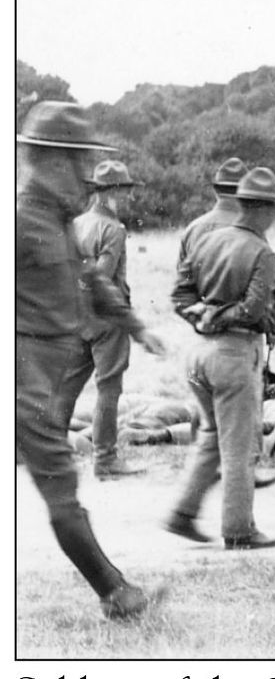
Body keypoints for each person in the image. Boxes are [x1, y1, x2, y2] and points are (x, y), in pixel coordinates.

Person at [15, 101, 166, 618]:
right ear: (46, 161)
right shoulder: (17, 220)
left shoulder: (55, 221)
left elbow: (92, 280)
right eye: (76, 161)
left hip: (43, 372)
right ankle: (117, 594)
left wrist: (138, 327)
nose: (84, 175)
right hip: (23, 377)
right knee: (60, 482)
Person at [164, 167, 275, 549]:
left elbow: (179, 298)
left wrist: (205, 314)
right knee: (239, 448)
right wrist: (220, 316)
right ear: (264, 208)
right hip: (234, 354)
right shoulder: (262, 251)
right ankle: (239, 529)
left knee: (212, 436)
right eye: (274, 208)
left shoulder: (207, 241)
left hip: (198, 354)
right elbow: (252, 311)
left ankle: (182, 514)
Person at [56, 159, 147, 478]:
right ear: (110, 192)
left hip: (77, 316)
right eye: (124, 191)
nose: (127, 198)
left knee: (67, 386)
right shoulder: (114, 229)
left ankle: (52, 453)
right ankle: (105, 459)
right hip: (108, 319)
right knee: (109, 388)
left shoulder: (77, 223)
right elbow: (103, 278)